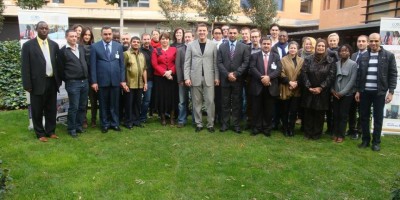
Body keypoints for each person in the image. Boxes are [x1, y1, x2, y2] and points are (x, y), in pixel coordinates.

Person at [355, 33, 397, 151]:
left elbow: (393, 74)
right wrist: (358, 91)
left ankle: (376, 142)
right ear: (368, 42)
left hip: (379, 93)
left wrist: (391, 92)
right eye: (371, 41)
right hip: (364, 92)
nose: (373, 43)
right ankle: (365, 140)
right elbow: (359, 75)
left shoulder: (388, 56)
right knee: (363, 117)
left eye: (376, 41)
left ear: (380, 41)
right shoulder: (364, 56)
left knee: (378, 118)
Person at [21, 21, 62, 142]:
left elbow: (57, 64)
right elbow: (25, 66)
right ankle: (40, 133)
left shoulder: (54, 45)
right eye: (41, 28)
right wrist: (27, 84)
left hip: (51, 81)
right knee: (37, 109)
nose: (44, 30)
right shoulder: (28, 45)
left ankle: (50, 131)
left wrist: (58, 81)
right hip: (36, 83)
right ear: (37, 29)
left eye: (46, 28)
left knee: (51, 109)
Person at [90, 25, 127, 133]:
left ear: (112, 34)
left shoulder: (118, 46)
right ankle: (105, 124)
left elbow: (121, 65)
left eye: (109, 34)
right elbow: (92, 66)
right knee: (103, 104)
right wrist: (94, 81)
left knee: (115, 104)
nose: (107, 36)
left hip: (115, 81)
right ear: (101, 34)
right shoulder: (95, 47)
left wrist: (122, 80)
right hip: (102, 81)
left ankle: (115, 123)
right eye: (105, 34)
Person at [184, 23, 219, 132]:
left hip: (209, 77)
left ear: (207, 32)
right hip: (195, 77)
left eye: (204, 30)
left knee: (210, 102)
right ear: (197, 32)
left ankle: (210, 124)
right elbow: (187, 63)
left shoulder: (213, 45)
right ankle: (198, 124)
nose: (202, 32)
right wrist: (187, 78)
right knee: (196, 102)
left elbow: (215, 63)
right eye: (200, 30)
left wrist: (217, 77)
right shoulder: (191, 45)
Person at [301, 39, 336, 140]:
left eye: (322, 46)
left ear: (325, 48)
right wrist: (308, 86)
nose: (320, 48)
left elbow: (331, 76)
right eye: (318, 46)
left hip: (322, 92)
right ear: (315, 47)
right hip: (309, 90)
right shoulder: (308, 59)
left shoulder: (330, 60)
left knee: (319, 114)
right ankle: (307, 133)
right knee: (308, 113)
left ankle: (316, 134)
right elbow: (304, 73)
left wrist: (321, 87)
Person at [217, 26, 250, 133]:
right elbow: (219, 62)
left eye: (234, 33)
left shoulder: (244, 47)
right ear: (227, 33)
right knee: (225, 103)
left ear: (238, 34)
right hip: (225, 79)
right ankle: (225, 124)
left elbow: (245, 63)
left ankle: (236, 125)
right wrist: (227, 74)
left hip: (238, 80)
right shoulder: (222, 46)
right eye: (230, 33)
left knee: (237, 103)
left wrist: (235, 74)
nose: (232, 35)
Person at [58, 29, 89, 138]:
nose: (74, 38)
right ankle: (71, 129)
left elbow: (85, 62)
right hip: (73, 83)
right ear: (66, 37)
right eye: (71, 36)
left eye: (75, 36)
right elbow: (60, 69)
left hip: (84, 82)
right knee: (74, 107)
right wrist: (68, 79)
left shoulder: (81, 48)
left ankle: (79, 126)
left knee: (82, 106)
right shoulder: (62, 51)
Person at [249, 37, 282, 136]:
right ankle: (257, 127)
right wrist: (262, 78)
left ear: (271, 45)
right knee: (256, 108)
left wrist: (269, 78)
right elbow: (252, 68)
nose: (266, 45)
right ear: (261, 44)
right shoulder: (255, 56)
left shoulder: (276, 56)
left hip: (271, 87)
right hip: (257, 86)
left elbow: (279, 70)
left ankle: (267, 128)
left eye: (268, 44)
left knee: (269, 109)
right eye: (264, 44)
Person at [331, 44, 358, 143]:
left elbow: (352, 80)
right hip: (335, 93)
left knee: (343, 115)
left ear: (349, 52)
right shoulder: (336, 63)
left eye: (346, 51)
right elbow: (332, 78)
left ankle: (341, 134)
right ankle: (335, 133)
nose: (343, 52)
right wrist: (332, 90)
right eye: (342, 51)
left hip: (346, 95)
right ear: (339, 53)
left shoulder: (353, 64)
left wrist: (342, 93)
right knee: (336, 114)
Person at [151, 32, 178, 126]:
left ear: (169, 40)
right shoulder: (156, 50)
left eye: (166, 39)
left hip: (172, 77)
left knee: (172, 97)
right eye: (162, 39)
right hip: (160, 78)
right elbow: (154, 64)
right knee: (161, 97)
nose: (164, 40)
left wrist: (170, 71)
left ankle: (172, 118)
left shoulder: (174, 49)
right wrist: (164, 73)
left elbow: (176, 62)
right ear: (160, 40)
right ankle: (162, 117)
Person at [279, 41, 304, 137]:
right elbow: (281, 73)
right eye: (291, 48)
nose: (292, 49)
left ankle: (291, 128)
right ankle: (285, 128)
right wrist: (289, 82)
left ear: (297, 49)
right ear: (288, 49)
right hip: (286, 87)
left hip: (297, 89)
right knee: (285, 110)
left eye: (294, 48)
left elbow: (303, 73)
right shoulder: (283, 60)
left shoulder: (301, 60)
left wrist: (296, 83)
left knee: (293, 111)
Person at [124, 36, 148, 129]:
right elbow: (122, 69)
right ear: (131, 42)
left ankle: (136, 120)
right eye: (134, 42)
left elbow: (144, 69)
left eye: (138, 42)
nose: (136, 43)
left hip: (140, 84)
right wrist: (124, 83)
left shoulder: (142, 55)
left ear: (140, 43)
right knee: (129, 104)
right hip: (129, 83)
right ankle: (128, 122)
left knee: (138, 103)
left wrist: (145, 83)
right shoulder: (126, 54)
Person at [348, 35, 369, 139]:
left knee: (362, 111)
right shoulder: (353, 55)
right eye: (359, 41)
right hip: (351, 87)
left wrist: (359, 90)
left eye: (363, 41)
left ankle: (359, 130)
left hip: (363, 88)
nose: (361, 43)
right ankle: (351, 129)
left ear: (367, 43)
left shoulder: (370, 55)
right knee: (351, 110)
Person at [175, 31, 194, 128]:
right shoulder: (180, 50)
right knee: (182, 101)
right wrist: (180, 80)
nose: (187, 38)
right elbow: (178, 66)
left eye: (189, 37)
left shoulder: (196, 48)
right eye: (186, 37)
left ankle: (196, 120)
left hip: (195, 80)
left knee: (195, 101)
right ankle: (182, 120)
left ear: (193, 37)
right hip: (182, 80)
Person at [80, 27, 97, 128]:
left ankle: (94, 120)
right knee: (84, 102)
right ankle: (84, 120)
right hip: (83, 78)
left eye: (89, 35)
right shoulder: (78, 47)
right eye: (85, 35)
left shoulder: (94, 47)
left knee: (94, 101)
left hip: (93, 78)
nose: (87, 37)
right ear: (82, 36)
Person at [139, 33, 154, 123]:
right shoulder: (139, 51)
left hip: (151, 79)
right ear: (142, 40)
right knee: (141, 100)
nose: (147, 41)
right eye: (145, 39)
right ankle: (140, 116)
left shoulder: (154, 50)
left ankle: (143, 116)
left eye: (148, 39)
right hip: (140, 79)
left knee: (147, 100)